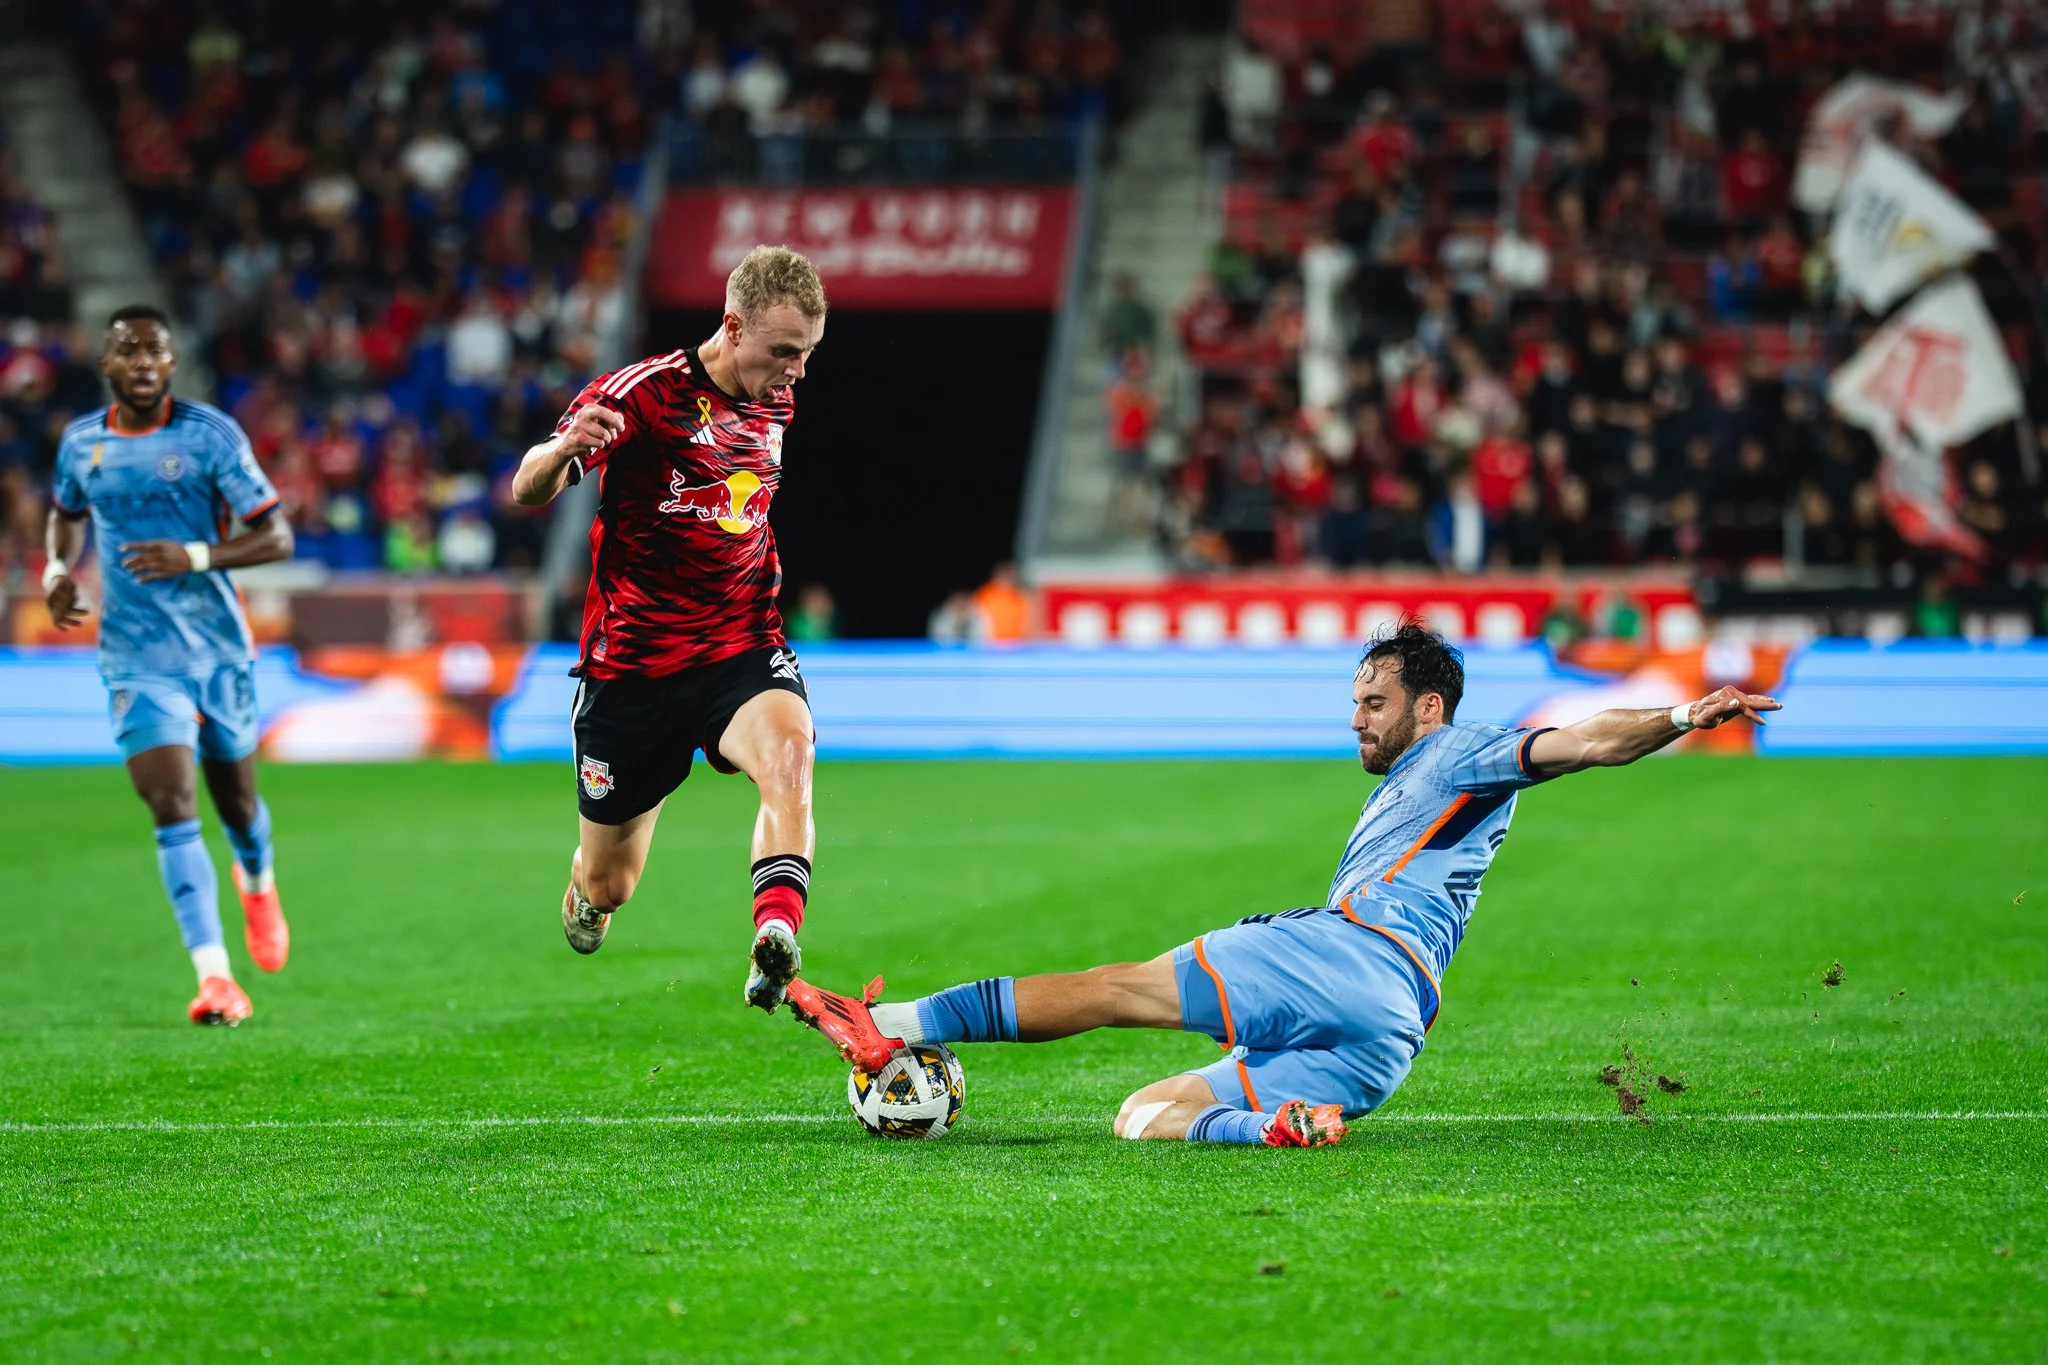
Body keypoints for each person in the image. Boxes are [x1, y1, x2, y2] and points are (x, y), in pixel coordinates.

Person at [785, 622, 1779, 1147]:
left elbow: (1585, 741)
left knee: (1115, 988)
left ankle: (897, 1025)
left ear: (1427, 706)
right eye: (1353, 699)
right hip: (1389, 1037)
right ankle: (1270, 1128)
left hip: (1346, 955)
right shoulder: (1424, 781)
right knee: (1145, 1117)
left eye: (1374, 701)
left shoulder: (1468, 752)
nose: (1357, 717)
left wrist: (1680, 717)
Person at [510, 245, 827, 1013]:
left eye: (808, 355)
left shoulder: (774, 396)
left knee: (790, 752)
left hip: (739, 645)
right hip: (634, 668)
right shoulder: (643, 397)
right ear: (733, 326)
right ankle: (586, 891)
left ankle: (774, 934)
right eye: (784, 352)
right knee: (609, 880)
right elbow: (527, 487)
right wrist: (560, 453)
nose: (797, 373)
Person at [42, 305, 295, 1026]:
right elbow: (64, 510)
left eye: (157, 350)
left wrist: (194, 556)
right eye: (130, 351)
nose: (145, 363)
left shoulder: (210, 435)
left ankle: (258, 879)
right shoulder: (81, 443)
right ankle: (215, 978)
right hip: (135, 656)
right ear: (107, 365)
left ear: (173, 362)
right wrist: (59, 565)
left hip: (217, 649)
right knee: (170, 802)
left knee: (238, 806)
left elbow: (274, 533)